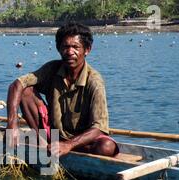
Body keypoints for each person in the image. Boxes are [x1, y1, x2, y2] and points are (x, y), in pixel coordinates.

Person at [6, 23, 118, 158]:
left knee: (107, 147)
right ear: (59, 49)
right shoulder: (52, 68)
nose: (70, 52)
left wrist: (69, 145)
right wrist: (12, 124)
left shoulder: (94, 81)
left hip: (82, 139)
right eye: (66, 47)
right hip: (52, 133)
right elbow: (17, 84)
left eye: (76, 47)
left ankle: (64, 148)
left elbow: (99, 128)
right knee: (25, 91)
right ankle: (44, 142)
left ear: (87, 50)